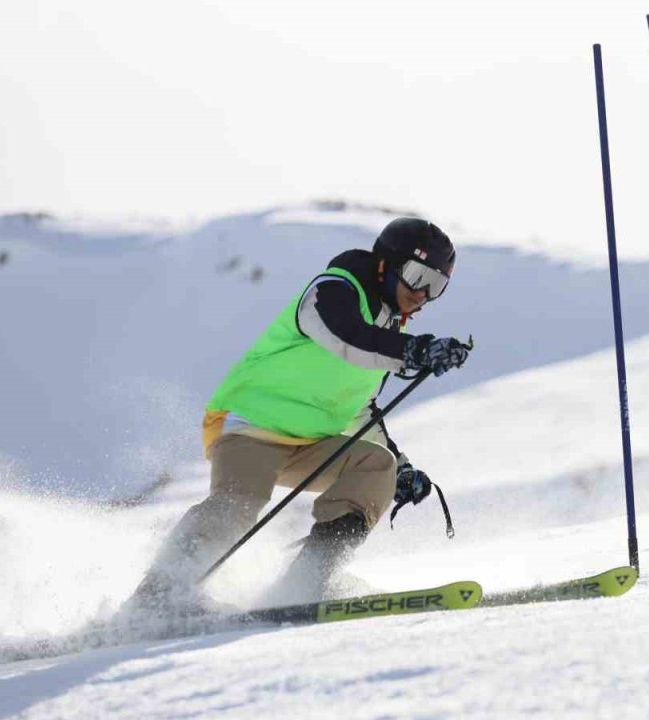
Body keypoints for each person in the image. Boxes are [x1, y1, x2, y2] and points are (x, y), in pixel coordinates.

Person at [127, 217, 471, 613]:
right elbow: (345, 337)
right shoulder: (332, 291)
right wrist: (414, 350)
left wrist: (402, 469)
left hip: (308, 442)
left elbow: (359, 412)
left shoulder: (385, 328)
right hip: (248, 427)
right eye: (417, 276)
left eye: (437, 286)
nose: (423, 294)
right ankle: (157, 594)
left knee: (379, 465)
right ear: (386, 265)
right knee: (241, 502)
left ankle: (307, 581)